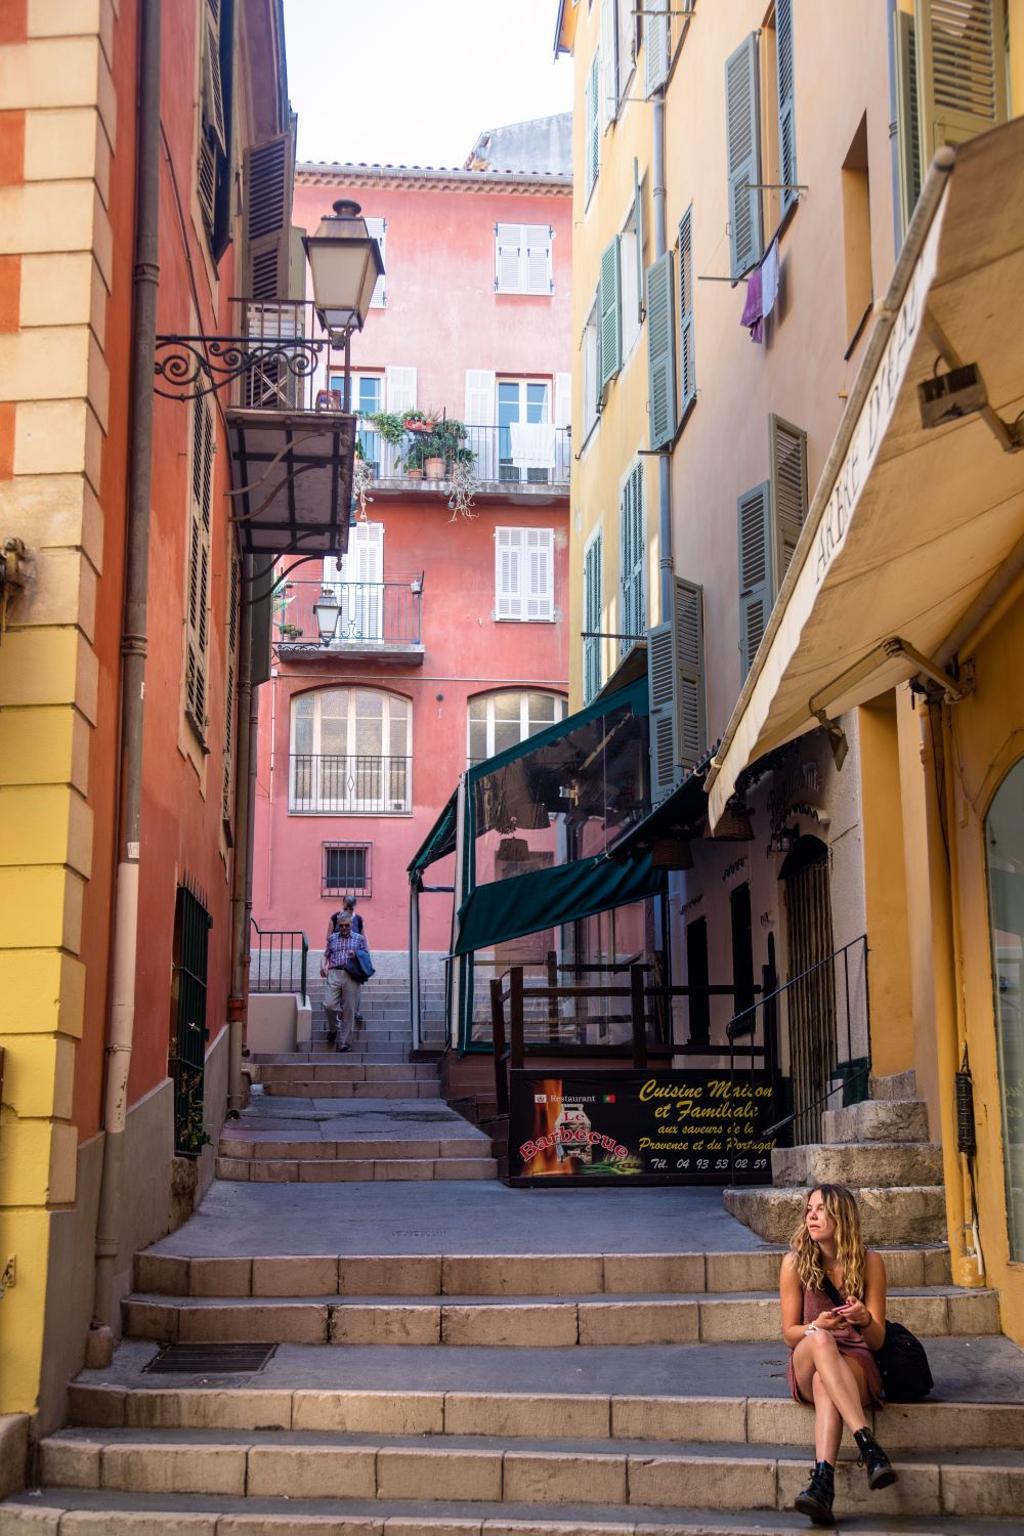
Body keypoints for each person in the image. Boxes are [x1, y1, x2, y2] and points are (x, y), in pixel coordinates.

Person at [781, 1183, 897, 1526]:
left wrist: (863, 1319)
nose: (811, 1216)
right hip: (807, 1352)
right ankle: (868, 1444)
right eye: (809, 1209)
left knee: (824, 1383)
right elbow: (789, 1334)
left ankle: (822, 1486)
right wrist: (815, 1325)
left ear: (840, 1217)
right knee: (819, 1342)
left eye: (821, 1209)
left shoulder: (870, 1262)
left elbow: (876, 1342)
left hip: (855, 1364)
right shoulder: (794, 1263)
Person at [320, 908, 369, 1051]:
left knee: (349, 1009)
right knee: (329, 1004)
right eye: (341, 925)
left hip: (351, 975)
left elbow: (366, 955)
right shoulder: (332, 939)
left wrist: (357, 954)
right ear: (338, 926)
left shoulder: (359, 939)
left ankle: (345, 1043)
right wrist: (323, 966)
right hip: (334, 973)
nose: (344, 928)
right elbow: (326, 954)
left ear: (351, 924)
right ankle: (334, 1028)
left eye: (347, 925)